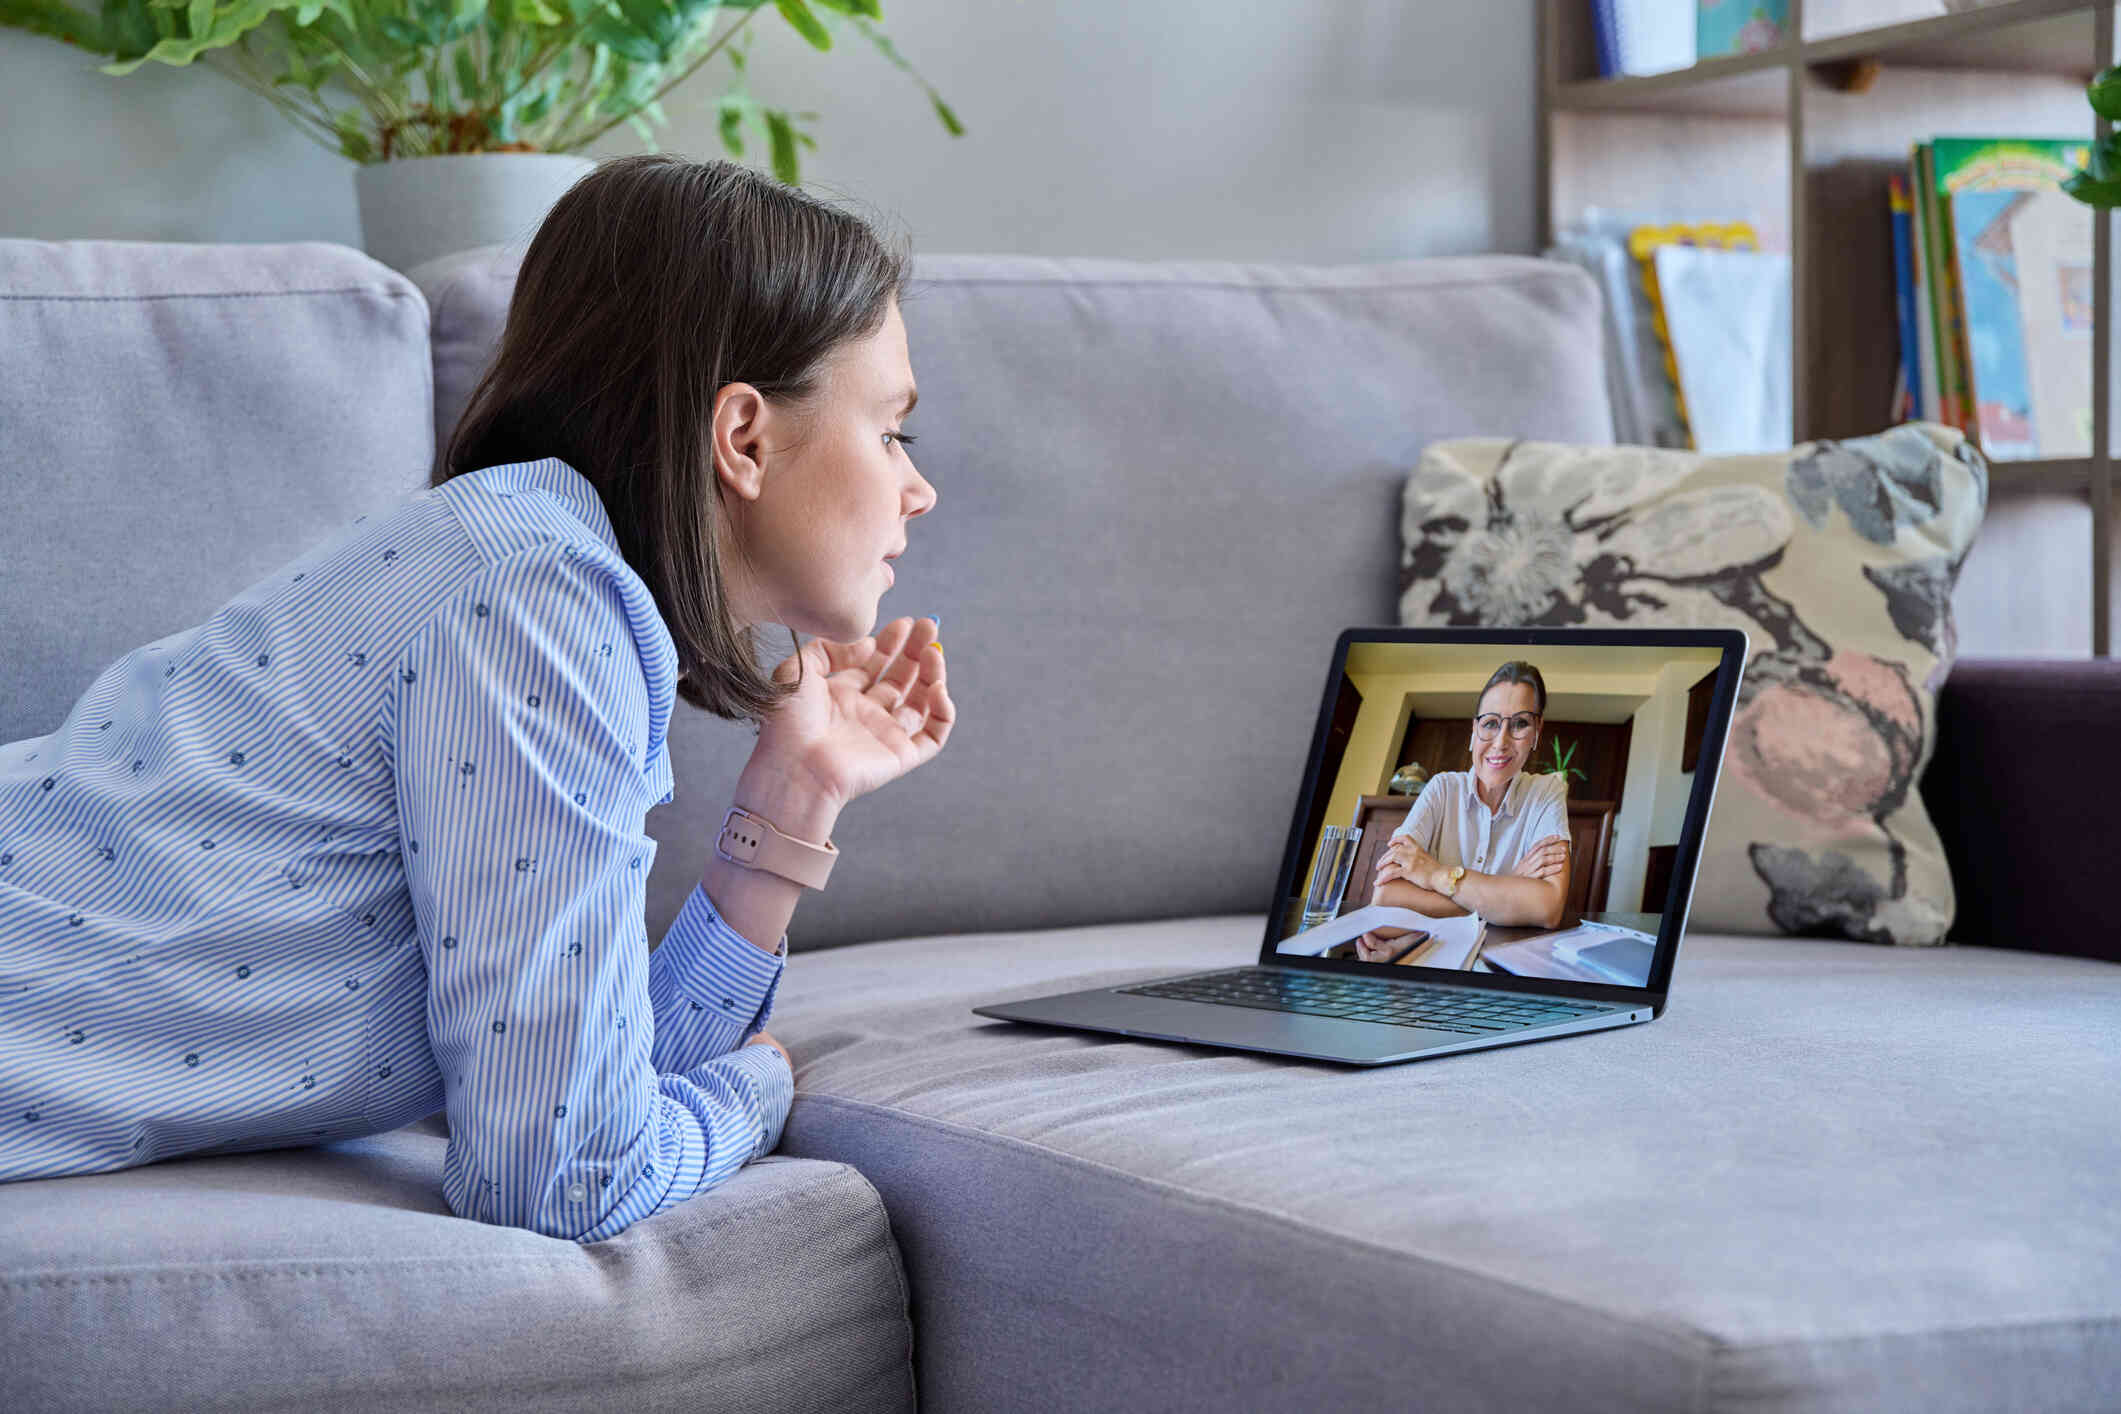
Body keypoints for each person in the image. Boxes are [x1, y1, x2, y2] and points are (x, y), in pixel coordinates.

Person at [0, 155, 949, 1244]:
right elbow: (569, 1177)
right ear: (743, 437)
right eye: (891, 430)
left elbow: (586, 1089)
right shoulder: (537, 597)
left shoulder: (533, 567)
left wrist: (791, 801)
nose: (915, 487)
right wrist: (761, 1090)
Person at [1355, 660, 1570, 963]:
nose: (1501, 742)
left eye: (1520, 723)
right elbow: (1386, 900)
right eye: (1491, 723)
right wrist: (1507, 889)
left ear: (1537, 731)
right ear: (1474, 729)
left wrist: (1436, 875)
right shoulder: (1441, 788)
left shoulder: (1547, 792)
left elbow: (1548, 908)